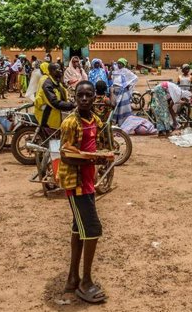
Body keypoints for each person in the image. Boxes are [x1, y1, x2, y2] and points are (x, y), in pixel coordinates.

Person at [57, 81, 112, 304]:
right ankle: (85, 282)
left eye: (89, 95)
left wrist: (100, 155)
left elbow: (98, 142)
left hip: (88, 182)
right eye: (80, 95)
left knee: (79, 229)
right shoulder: (70, 123)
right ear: (75, 96)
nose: (84, 99)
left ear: (94, 97)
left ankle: (72, 278)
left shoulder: (95, 120)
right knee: (92, 229)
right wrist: (93, 158)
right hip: (76, 183)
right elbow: (65, 155)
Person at [34, 63, 76, 131]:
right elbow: (54, 102)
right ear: (52, 71)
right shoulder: (47, 84)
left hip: (57, 113)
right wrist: (71, 105)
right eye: (58, 69)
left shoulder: (56, 82)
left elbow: (64, 92)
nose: (61, 71)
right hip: (47, 115)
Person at [110, 58, 138, 126]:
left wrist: (128, 85)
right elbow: (110, 77)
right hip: (115, 91)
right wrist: (111, 69)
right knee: (115, 107)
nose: (119, 65)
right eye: (118, 63)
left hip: (123, 91)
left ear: (124, 65)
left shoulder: (126, 71)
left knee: (123, 108)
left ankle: (123, 122)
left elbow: (135, 78)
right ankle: (115, 121)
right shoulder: (116, 71)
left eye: (120, 64)